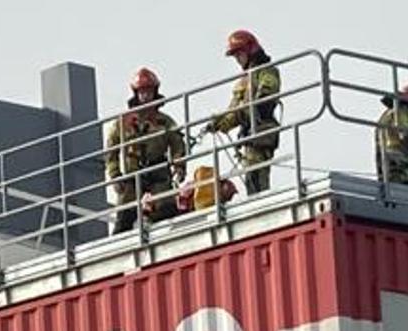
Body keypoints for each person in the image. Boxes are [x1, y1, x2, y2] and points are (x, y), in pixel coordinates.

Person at [104, 68, 188, 234]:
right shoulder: (123, 123)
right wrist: (115, 175)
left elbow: (178, 144)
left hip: (158, 175)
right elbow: (111, 150)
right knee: (124, 220)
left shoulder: (165, 122)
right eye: (142, 92)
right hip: (132, 178)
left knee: (167, 211)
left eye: (148, 91)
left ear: (154, 92)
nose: (145, 96)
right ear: (136, 93)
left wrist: (179, 165)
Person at [203, 29, 281, 193]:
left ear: (250, 50)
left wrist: (245, 110)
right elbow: (234, 111)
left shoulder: (267, 71)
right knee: (250, 176)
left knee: (256, 175)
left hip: (262, 129)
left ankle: (260, 205)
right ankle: (257, 201)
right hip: (249, 134)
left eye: (239, 54)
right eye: (235, 56)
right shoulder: (242, 82)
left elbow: (265, 98)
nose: (237, 59)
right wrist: (220, 123)